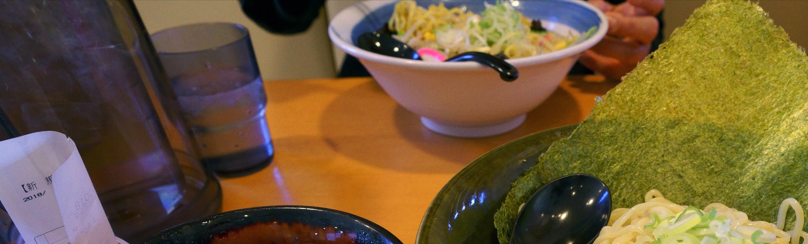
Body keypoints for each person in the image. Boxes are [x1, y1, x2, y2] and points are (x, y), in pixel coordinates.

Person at [240, 0, 664, 80]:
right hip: (387, 88)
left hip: (561, 87)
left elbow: (641, 24)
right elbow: (278, 14)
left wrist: (631, 35)